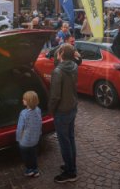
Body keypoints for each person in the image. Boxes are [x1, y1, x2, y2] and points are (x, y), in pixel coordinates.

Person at [48, 43, 79, 183]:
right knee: (70, 139)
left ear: (60, 54)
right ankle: (71, 165)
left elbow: (55, 97)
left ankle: (70, 172)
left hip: (62, 111)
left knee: (65, 142)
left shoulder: (58, 71)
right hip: (72, 107)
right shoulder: (74, 66)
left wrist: (51, 110)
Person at [16, 91, 42, 178]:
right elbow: (39, 123)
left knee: (26, 156)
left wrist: (18, 138)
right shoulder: (38, 110)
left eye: (24, 99)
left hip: (25, 142)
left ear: (28, 101)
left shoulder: (23, 113)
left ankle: (29, 170)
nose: (22, 100)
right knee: (33, 155)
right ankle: (35, 170)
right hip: (35, 140)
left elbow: (20, 127)